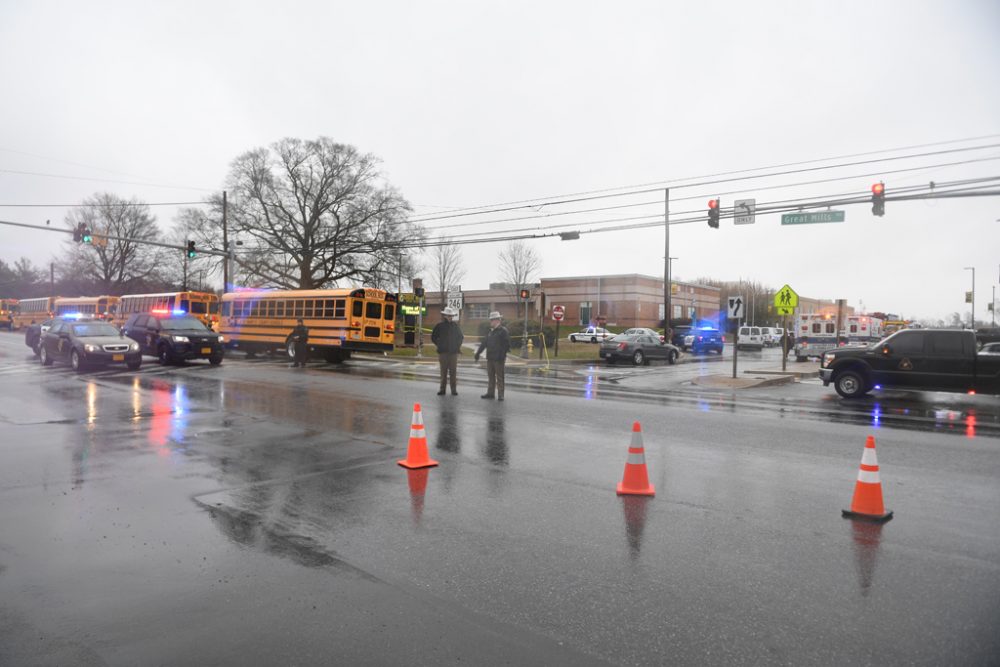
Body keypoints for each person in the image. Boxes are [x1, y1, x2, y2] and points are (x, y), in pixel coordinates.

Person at [475, 311, 511, 401]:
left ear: (497, 320)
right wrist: (478, 353)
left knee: (500, 377)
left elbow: (507, 345)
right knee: (491, 376)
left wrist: (502, 355)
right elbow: (484, 343)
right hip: (490, 358)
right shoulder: (490, 332)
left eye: (492, 320)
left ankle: (500, 394)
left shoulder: (503, 331)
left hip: (499, 358)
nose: (490, 322)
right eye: (490, 320)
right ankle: (490, 393)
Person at [431, 306, 464, 395]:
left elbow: (460, 337)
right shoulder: (439, 326)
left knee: (453, 372)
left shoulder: (455, 326)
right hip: (443, 353)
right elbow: (433, 337)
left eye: (451, 316)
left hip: (453, 353)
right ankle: (442, 390)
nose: (450, 317)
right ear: (445, 316)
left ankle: (454, 390)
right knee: (443, 372)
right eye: (448, 316)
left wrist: (457, 346)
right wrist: (439, 345)